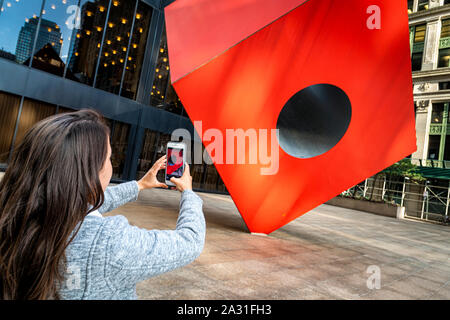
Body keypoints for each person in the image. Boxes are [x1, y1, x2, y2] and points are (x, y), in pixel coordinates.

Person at [0, 109, 205, 300]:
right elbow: (190, 241)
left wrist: (140, 185)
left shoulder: (15, 213)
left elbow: (87, 202)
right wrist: (188, 192)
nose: (111, 164)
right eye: (108, 158)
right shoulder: (109, 244)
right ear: (90, 174)